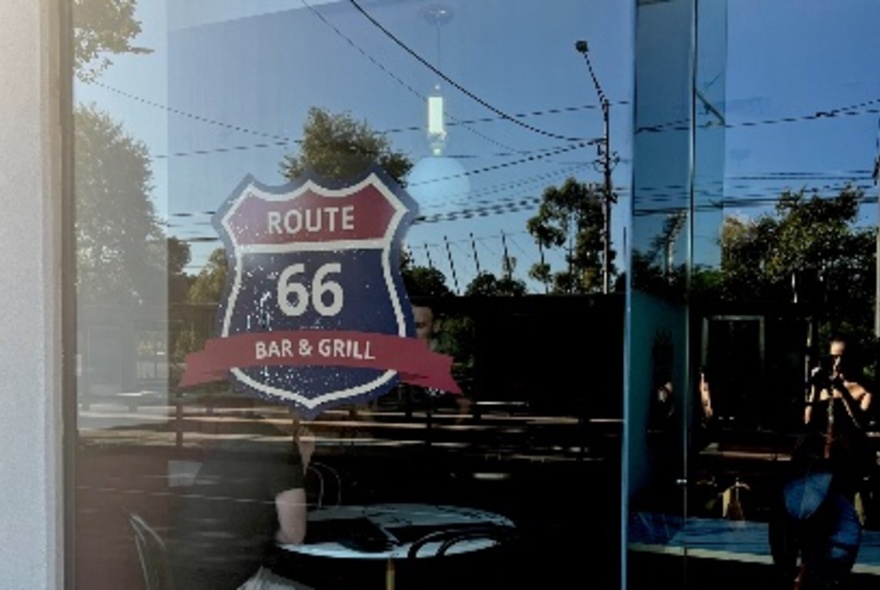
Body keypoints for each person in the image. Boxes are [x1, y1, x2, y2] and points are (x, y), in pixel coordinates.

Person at [167, 405, 316, 590]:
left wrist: (301, 457)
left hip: (188, 572)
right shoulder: (282, 449)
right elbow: (293, 535)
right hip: (231, 579)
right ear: (293, 411)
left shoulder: (237, 436)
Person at [771, 336, 873, 590]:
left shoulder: (863, 389)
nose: (837, 362)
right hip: (817, 464)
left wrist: (843, 391)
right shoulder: (824, 388)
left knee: (838, 518)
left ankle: (832, 571)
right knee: (811, 519)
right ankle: (804, 571)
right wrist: (816, 389)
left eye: (841, 356)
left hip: (844, 463)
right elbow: (807, 421)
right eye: (833, 356)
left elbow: (861, 421)